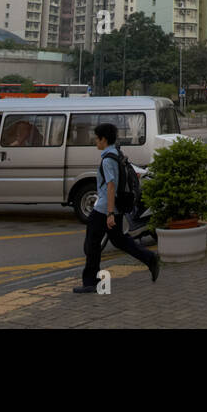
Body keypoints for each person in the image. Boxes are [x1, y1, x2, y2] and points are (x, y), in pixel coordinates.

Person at [74, 122, 160, 293]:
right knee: (119, 239)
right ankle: (150, 259)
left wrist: (110, 213)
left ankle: (90, 282)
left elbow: (111, 186)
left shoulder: (107, 159)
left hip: (105, 208)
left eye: (97, 139)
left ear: (103, 139)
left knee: (92, 242)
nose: (95, 142)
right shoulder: (117, 153)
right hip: (115, 207)